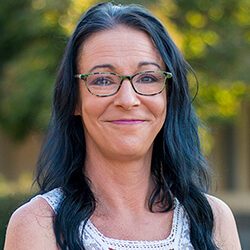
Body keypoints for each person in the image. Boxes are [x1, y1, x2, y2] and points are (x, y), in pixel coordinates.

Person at [4, 2, 241, 250]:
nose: (128, 100)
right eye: (103, 80)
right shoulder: (39, 226)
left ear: (169, 97)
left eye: (148, 78)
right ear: (74, 98)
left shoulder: (213, 220)